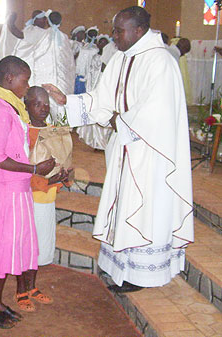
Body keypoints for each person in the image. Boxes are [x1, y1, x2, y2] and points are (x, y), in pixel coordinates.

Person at [44, 6, 193, 292]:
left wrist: (118, 120)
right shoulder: (121, 58)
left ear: (139, 31)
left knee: (145, 210)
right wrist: (66, 100)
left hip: (151, 155)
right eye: (114, 30)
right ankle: (123, 268)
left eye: (119, 31)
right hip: (125, 149)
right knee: (124, 207)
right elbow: (100, 100)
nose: (114, 37)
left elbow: (157, 113)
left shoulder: (160, 61)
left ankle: (143, 274)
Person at [0, 56, 55, 329]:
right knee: (1, 251)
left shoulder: (12, 108)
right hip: (6, 191)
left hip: (17, 189)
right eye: (25, 79)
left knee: (9, 250)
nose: (27, 85)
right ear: (9, 79)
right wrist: (34, 167)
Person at [18, 86, 70, 311]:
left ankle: (32, 286)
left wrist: (63, 176)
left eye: (46, 105)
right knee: (26, 246)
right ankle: (21, 290)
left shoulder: (53, 130)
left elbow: (63, 159)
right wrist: (44, 179)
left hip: (47, 199)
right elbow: (21, 170)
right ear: (27, 105)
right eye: (37, 104)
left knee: (40, 244)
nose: (42, 109)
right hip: (29, 197)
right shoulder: (23, 131)